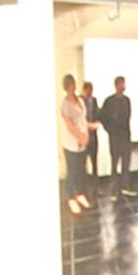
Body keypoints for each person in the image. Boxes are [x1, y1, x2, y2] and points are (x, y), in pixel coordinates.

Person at [58, 74, 92, 216]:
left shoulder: (80, 101)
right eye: (70, 85)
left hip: (82, 142)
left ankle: (80, 194)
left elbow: (83, 120)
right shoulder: (64, 105)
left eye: (74, 84)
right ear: (66, 87)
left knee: (81, 170)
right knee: (72, 172)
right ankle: (71, 198)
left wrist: (86, 136)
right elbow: (70, 125)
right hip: (71, 144)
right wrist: (79, 137)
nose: (73, 87)